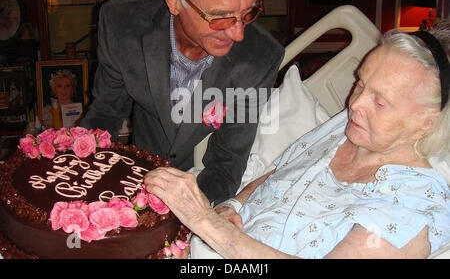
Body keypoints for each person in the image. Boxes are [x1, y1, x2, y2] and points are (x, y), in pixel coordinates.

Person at [144, 20, 450, 259]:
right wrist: (234, 206)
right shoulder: (348, 126)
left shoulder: (415, 208)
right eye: (360, 83)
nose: (355, 104)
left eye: (380, 102)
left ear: (427, 122)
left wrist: (204, 220)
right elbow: (282, 171)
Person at [81, 0, 284, 204]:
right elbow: (105, 115)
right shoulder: (122, 24)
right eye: (220, 18)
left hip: (203, 186)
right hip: (140, 169)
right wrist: (83, 182)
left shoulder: (260, 56)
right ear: (174, 0)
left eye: (249, 13)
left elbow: (227, 162)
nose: (238, 34)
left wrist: (189, 217)